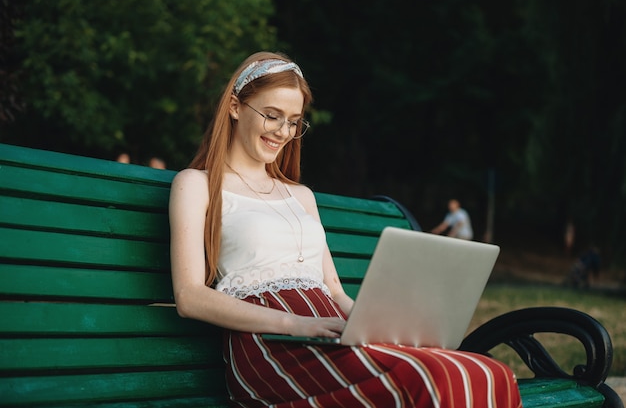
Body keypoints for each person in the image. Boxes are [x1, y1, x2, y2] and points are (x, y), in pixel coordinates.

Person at [169, 52, 522, 407]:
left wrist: (382, 326)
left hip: (330, 332)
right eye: (272, 115)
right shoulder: (197, 184)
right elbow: (190, 296)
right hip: (269, 342)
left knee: (489, 372)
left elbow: (334, 291)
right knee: (434, 378)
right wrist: (296, 324)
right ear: (234, 106)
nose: (283, 132)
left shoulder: (301, 195)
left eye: (294, 121)